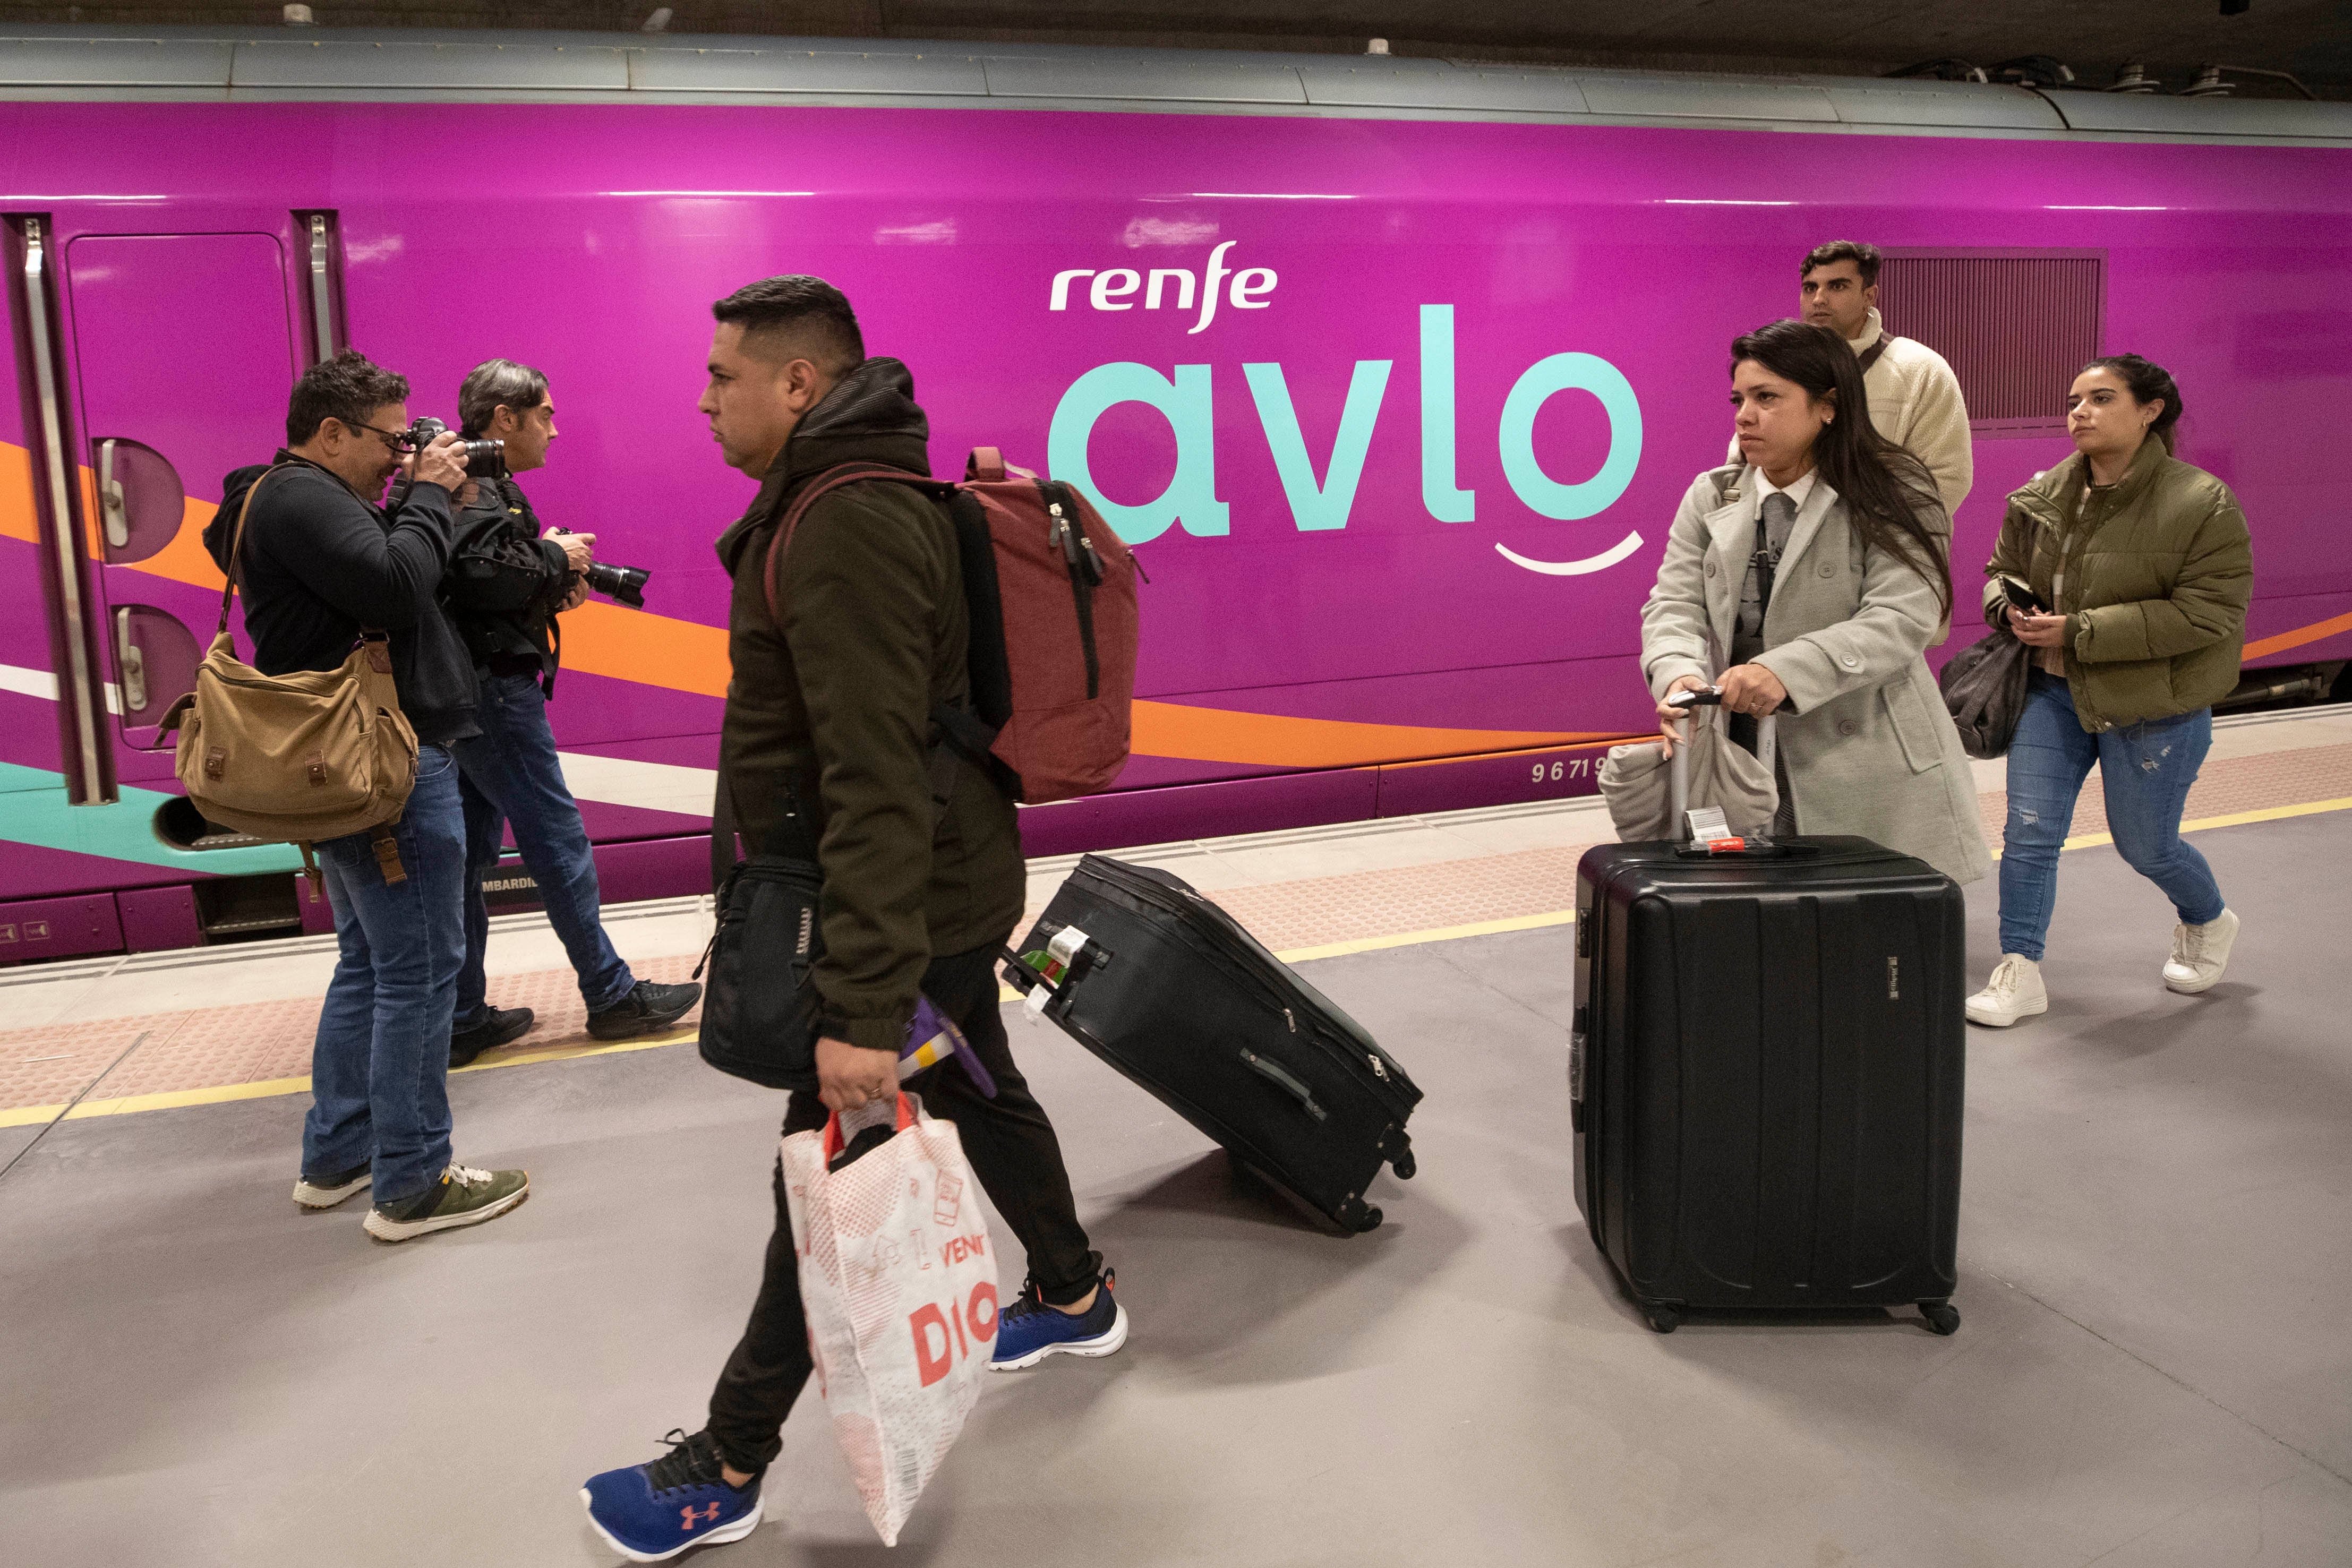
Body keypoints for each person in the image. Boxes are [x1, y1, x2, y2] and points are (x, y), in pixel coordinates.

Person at [579, 277, 1125, 1561]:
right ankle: (1071, 1287)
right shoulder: (841, 501)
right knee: (979, 1086)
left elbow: (874, 774)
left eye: (722, 375)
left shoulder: (846, 524)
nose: (702, 398)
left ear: (799, 385)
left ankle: (725, 1459)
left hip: (903, 907)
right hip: (935, 887)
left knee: (826, 1165)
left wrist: (863, 1010)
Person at [212, 349, 529, 1243]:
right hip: (383, 765)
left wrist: (423, 504)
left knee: (369, 964)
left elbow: (382, 573)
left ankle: (339, 1153)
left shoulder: (290, 498)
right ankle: (413, 1180)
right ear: (331, 433)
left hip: (352, 762)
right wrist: (427, 496)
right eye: (390, 440)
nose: (402, 454)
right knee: (419, 972)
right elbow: (392, 586)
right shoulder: (304, 496)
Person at [1645, 319, 1991, 884]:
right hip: (1741, 750)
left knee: (1862, 934)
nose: (1744, 415)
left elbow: (1902, 616)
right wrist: (1678, 673)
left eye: (1767, 398)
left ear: (1827, 406)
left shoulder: (1895, 491)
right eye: (1739, 398)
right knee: (1752, 924)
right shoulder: (1712, 494)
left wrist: (1781, 670)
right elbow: (1673, 604)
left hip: (1869, 756)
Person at [1964, 355, 2252, 1027]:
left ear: (2150, 410)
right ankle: (2020, 968)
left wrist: (2080, 629)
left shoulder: (2201, 502)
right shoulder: (2041, 495)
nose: (2080, 413)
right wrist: (2006, 608)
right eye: (2073, 401)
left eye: (2100, 398)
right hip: (2050, 694)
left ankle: (2207, 918)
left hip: (2154, 704)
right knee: (2029, 833)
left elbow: (2208, 613)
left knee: (2146, 845)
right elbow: (1999, 571)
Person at [439, 359, 702, 1064]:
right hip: (496, 693)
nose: (555, 429)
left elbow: (469, 589)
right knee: (556, 842)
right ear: (504, 418)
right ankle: (612, 996)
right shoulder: (479, 491)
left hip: (464, 697)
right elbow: (477, 577)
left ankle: (462, 1012)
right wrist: (550, 560)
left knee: (464, 857)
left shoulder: (463, 488)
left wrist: (547, 581)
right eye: (545, 415)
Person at [1729, 242, 1973, 518]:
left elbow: (1948, 478)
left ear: (1870, 295)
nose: (1819, 299)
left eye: (1837, 286)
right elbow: (1743, 462)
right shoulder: (1779, 366)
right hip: (1779, 541)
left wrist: (1870, 545)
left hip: (1880, 549)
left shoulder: (1919, 368)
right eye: (1810, 288)